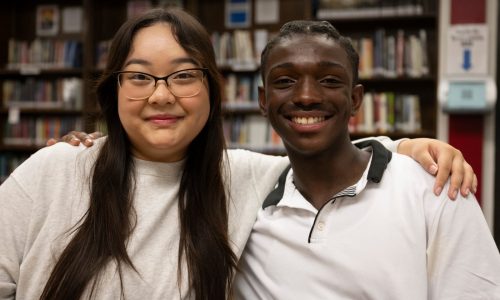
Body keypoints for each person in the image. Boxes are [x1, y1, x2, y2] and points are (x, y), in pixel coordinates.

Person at [0, 7, 475, 300]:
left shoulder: (240, 177)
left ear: (212, 91)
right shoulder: (54, 170)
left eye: (184, 76)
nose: (161, 96)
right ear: (114, 90)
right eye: (141, 76)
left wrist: (407, 147)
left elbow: (326, 152)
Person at [231, 20, 500, 299]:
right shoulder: (246, 206)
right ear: (263, 100)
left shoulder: (436, 188)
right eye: (285, 81)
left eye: (329, 80)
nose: (307, 96)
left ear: (356, 99)